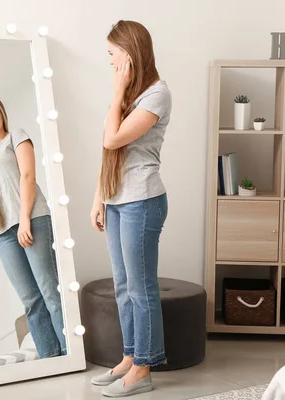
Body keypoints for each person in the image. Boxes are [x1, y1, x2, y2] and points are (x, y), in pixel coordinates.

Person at [89, 21, 172, 397]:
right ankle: (128, 357)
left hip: (142, 200)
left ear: (129, 51)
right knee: (123, 287)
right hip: (118, 200)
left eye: (112, 53)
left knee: (141, 289)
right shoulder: (128, 95)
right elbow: (109, 155)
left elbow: (112, 138)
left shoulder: (156, 94)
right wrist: (99, 198)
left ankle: (144, 368)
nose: (109, 62)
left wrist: (117, 90)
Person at [0, 93, 66, 359]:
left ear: (2, 114)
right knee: (31, 300)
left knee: (49, 292)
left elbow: (28, 176)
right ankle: (50, 357)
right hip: (3, 233)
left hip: (32, 219)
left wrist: (24, 220)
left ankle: (70, 353)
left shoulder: (17, 137)